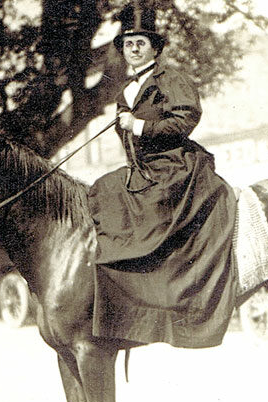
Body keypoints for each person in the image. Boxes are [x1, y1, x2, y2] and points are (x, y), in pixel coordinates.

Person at [86, 4, 237, 348]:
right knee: (102, 189)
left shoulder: (171, 80)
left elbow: (186, 119)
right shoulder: (125, 89)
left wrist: (140, 125)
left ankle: (167, 292)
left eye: (141, 43)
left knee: (152, 206)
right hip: (143, 168)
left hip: (174, 165)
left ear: (155, 48)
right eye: (128, 44)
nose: (134, 49)